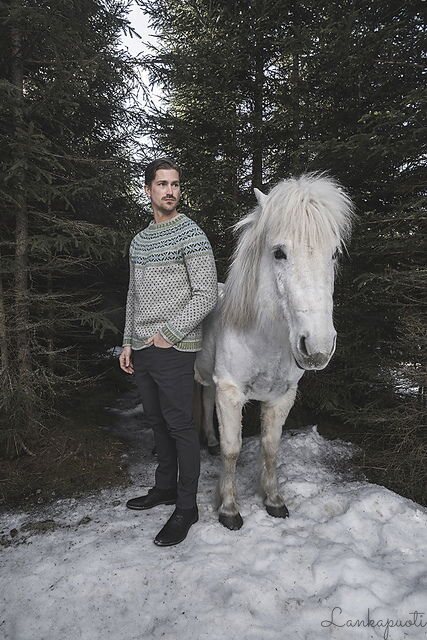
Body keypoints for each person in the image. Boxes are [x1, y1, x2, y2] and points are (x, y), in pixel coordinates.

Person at [119, 158, 218, 547]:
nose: (170, 191)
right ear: (148, 190)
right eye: (162, 184)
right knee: (156, 422)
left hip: (174, 346)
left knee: (180, 426)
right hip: (142, 347)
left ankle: (187, 507)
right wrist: (128, 342)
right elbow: (133, 295)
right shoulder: (139, 241)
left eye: (175, 184)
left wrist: (169, 334)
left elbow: (206, 294)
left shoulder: (191, 234)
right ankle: (164, 488)